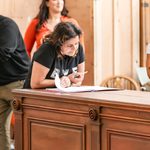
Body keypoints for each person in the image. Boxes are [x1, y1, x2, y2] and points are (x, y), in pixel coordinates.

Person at [23, 22, 85, 89]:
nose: (74, 49)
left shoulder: (79, 49)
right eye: (69, 45)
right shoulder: (46, 50)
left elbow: (79, 80)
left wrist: (73, 82)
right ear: (59, 43)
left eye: (76, 43)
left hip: (62, 94)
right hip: (34, 95)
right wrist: (59, 82)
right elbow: (35, 84)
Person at [0, 15, 30, 150]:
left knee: (25, 126)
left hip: (18, 83)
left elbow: (4, 52)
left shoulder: (7, 25)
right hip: (1, 84)